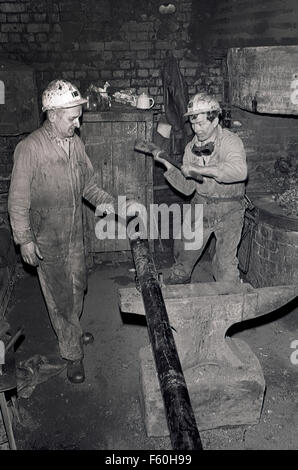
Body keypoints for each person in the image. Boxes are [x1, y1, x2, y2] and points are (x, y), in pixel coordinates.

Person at [8, 79, 134, 384]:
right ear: (52, 115)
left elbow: (87, 186)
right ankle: (72, 354)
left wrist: (116, 206)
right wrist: (24, 239)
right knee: (60, 299)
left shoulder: (75, 144)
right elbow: (17, 200)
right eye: (72, 118)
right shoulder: (30, 149)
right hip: (46, 237)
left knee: (79, 286)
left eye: (79, 117)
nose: (77, 124)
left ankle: (72, 333)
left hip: (74, 233)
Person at [154, 92, 248, 284]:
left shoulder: (231, 142)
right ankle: (177, 293)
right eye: (193, 123)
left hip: (230, 209)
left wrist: (200, 169)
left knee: (225, 266)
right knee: (183, 258)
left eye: (201, 123)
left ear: (215, 120)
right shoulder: (190, 148)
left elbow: (240, 172)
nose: (196, 129)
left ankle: (231, 301)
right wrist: (169, 167)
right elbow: (188, 188)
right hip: (201, 206)